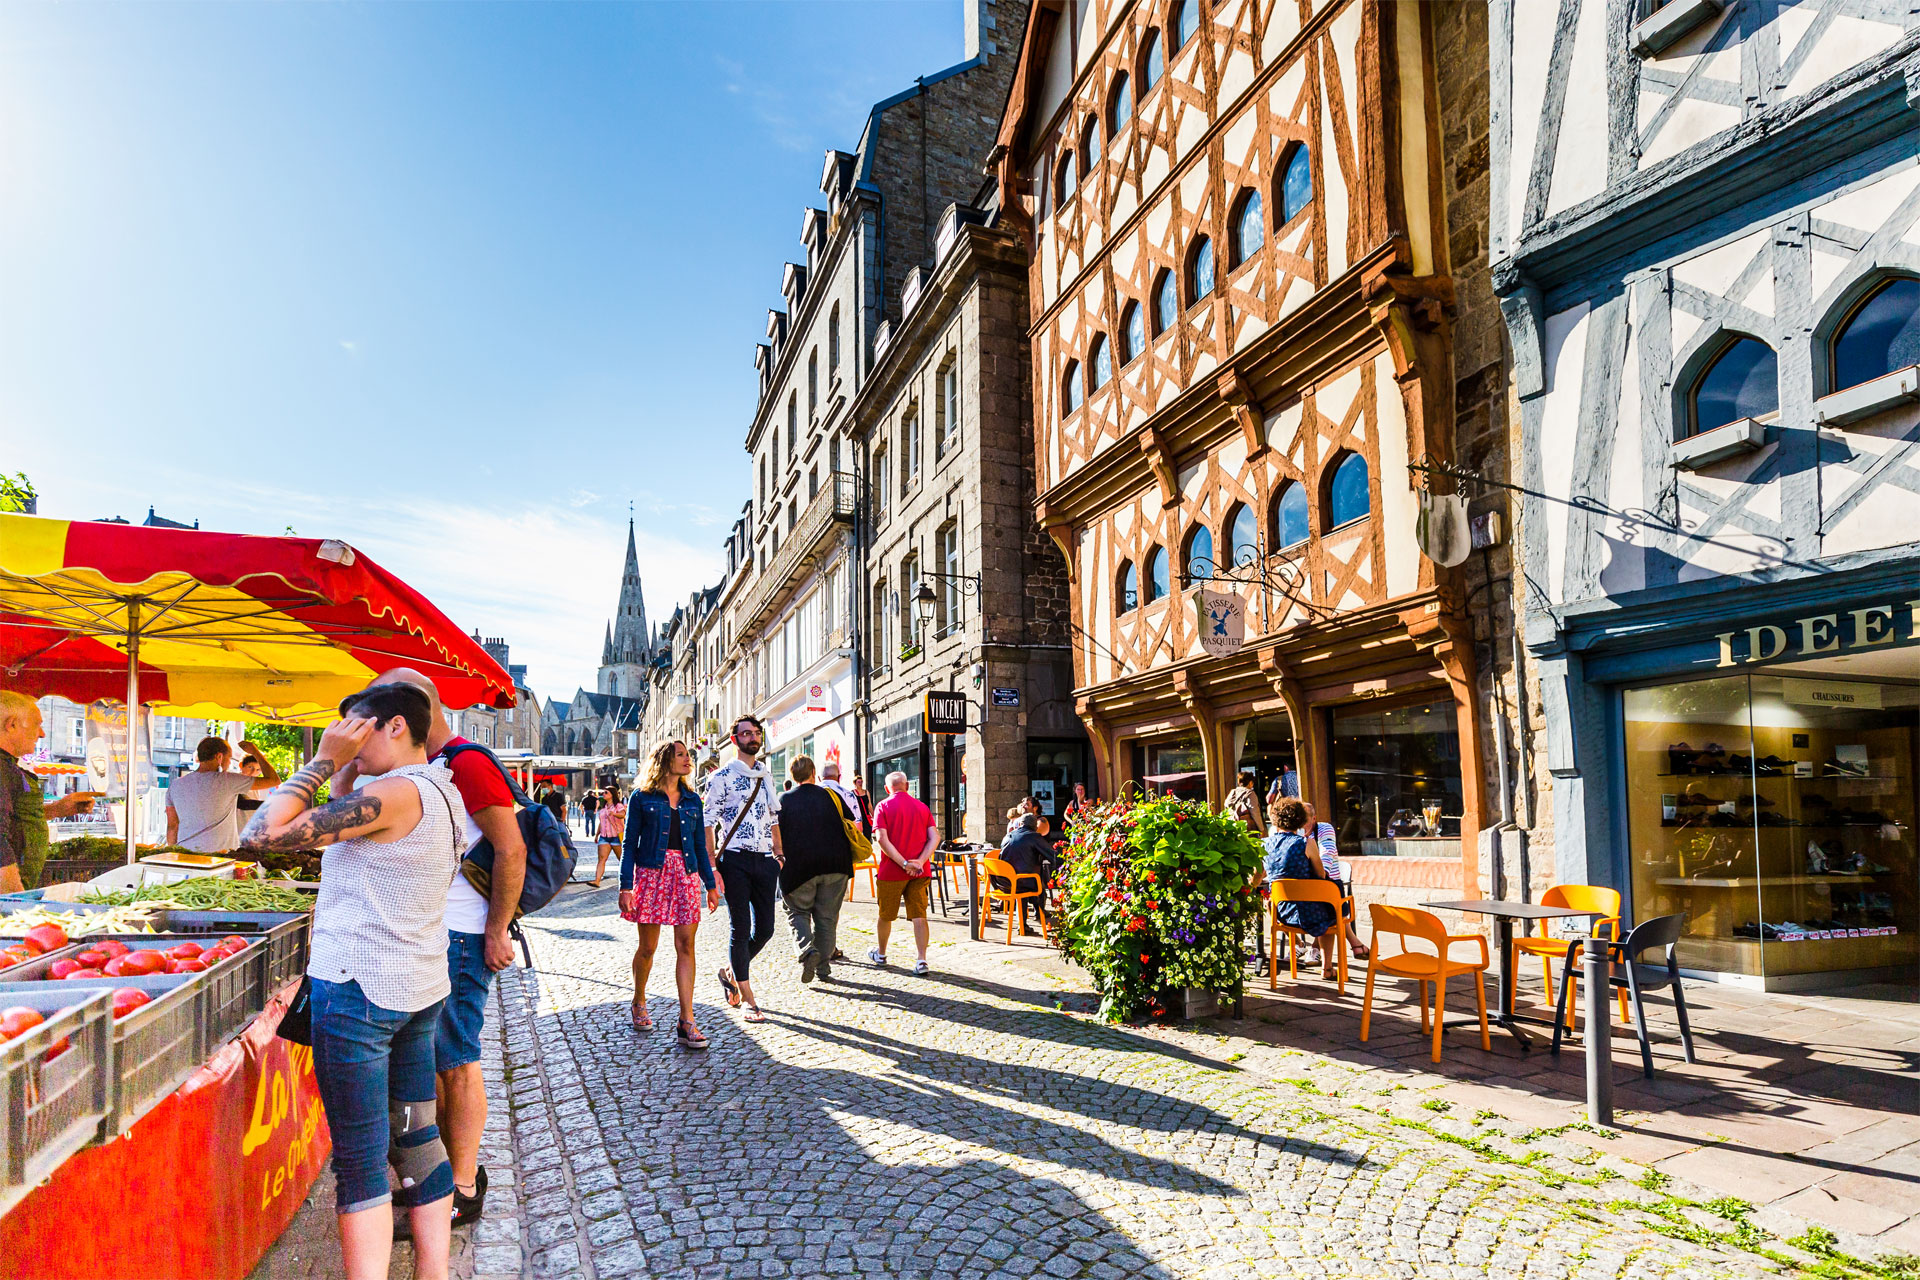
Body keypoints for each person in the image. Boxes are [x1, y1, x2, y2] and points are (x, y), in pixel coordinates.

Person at [239, 684, 463, 1280]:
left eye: (359, 731)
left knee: (361, 1160)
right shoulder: (438, 787)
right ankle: (433, 1272)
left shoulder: (390, 794)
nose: (351, 744)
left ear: (394, 726)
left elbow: (259, 836)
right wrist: (347, 772)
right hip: (415, 989)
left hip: (359, 991)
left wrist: (321, 760)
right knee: (417, 1137)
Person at [343, 668, 526, 1236]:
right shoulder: (423, 769)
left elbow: (511, 847)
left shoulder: (466, 762)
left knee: (457, 1060)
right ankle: (442, 1179)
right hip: (434, 935)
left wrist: (497, 930)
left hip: (464, 937)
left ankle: (464, 1186)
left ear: (411, 711)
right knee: (435, 1065)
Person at [620, 739, 719, 1046]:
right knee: (648, 947)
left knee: (686, 945)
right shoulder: (642, 797)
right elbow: (629, 844)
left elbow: (700, 845)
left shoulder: (693, 800)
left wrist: (711, 883)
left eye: (688, 755)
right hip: (651, 873)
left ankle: (686, 1021)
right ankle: (639, 1000)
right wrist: (626, 886)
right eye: (681, 755)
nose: (688, 759)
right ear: (664, 761)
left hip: (686, 876)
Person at [702, 716, 782, 1022]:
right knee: (739, 927)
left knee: (766, 929)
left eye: (756, 733)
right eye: (746, 733)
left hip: (764, 861)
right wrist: (712, 864)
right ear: (734, 740)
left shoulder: (766, 775)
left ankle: (730, 973)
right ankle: (749, 1000)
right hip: (734, 859)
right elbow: (708, 822)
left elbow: (774, 818)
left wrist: (780, 854)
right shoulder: (720, 777)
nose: (752, 737)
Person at [0, 692, 96, 893]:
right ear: (12, 725)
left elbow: (12, 820)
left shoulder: (9, 768)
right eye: (37, 724)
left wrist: (56, 810)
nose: (42, 733)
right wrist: (15, 901)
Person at [774, 756, 854, 986]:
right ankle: (823, 968)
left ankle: (807, 950)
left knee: (796, 912)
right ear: (813, 773)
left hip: (799, 867)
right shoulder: (832, 796)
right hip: (836, 864)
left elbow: (775, 832)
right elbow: (852, 822)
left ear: (792, 776)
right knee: (826, 918)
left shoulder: (784, 800)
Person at [166, 736, 281, 853]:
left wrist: (173, 855)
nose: (230, 763)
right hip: (221, 858)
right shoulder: (228, 780)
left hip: (186, 853)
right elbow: (274, 780)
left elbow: (172, 826)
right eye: (229, 758)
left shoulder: (175, 785)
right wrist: (255, 752)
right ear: (219, 757)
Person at [871, 770, 937, 974]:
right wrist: (919, 861)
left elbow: (881, 839)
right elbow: (934, 837)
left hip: (892, 871)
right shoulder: (922, 807)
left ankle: (881, 954)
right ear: (907, 786)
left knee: (886, 915)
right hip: (919, 871)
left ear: (886, 789)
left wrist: (903, 863)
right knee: (920, 916)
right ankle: (921, 960)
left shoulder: (882, 806)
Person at [1263, 797, 1336, 973]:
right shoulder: (1306, 842)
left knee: (1268, 902)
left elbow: (1258, 878)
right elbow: (1321, 874)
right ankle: (1327, 968)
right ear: (1301, 820)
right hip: (1312, 913)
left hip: (1282, 913)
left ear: (1275, 819)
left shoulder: (1264, 844)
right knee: (1332, 910)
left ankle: (1297, 944)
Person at [1301, 799, 1367, 960]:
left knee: (1324, 901)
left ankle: (1314, 949)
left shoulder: (1324, 828)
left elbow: (1327, 853)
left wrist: (1319, 873)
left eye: (1305, 820)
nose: (1302, 824)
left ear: (1314, 818)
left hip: (1328, 881)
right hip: (1307, 886)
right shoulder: (1294, 832)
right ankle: (1354, 943)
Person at [997, 814, 1055, 937]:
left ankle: (1023, 925)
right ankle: (1039, 914)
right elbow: (1052, 855)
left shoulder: (1008, 836)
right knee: (1037, 884)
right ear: (1035, 827)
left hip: (1002, 883)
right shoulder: (1033, 837)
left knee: (1022, 880)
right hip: (1021, 883)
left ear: (1020, 824)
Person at [591, 784, 625, 889]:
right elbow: (601, 822)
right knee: (602, 859)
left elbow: (623, 814)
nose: (603, 794)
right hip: (604, 836)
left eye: (606, 792)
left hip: (616, 836)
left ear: (612, 795)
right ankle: (597, 881)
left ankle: (630, 879)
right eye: (603, 792)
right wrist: (597, 835)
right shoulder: (604, 807)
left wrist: (614, 814)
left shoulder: (618, 806)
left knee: (622, 859)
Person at [1225, 770, 1265, 836]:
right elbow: (1255, 812)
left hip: (1233, 827)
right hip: (1247, 829)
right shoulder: (1250, 794)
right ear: (1250, 783)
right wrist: (1261, 829)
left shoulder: (1233, 793)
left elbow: (1226, 806)